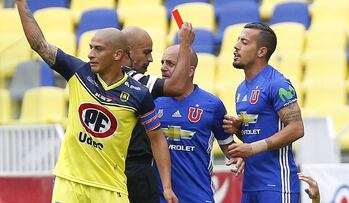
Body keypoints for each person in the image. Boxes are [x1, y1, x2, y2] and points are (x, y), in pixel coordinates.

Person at [15, 1, 177, 202]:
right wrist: (21, 4)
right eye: (91, 47)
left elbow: (157, 138)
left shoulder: (139, 93)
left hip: (110, 188)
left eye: (98, 49)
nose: (90, 54)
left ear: (117, 54)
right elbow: (40, 45)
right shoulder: (78, 72)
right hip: (70, 182)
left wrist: (167, 187)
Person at [222, 22, 304, 203]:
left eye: (244, 42)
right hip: (251, 184)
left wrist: (251, 148)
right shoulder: (241, 89)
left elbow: (297, 128)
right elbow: (258, 134)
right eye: (237, 40)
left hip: (277, 184)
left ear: (261, 51)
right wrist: (238, 130)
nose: (235, 46)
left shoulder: (278, 83)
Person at [153, 44, 244, 202]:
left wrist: (241, 154)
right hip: (159, 196)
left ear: (190, 71)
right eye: (162, 62)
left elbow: (229, 149)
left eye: (170, 63)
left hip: (197, 196)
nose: (163, 67)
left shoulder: (212, 105)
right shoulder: (152, 100)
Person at [121, 26, 195, 203]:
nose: (151, 59)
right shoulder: (135, 82)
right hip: (132, 172)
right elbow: (177, 86)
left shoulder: (98, 77)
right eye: (146, 52)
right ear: (128, 52)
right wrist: (184, 45)